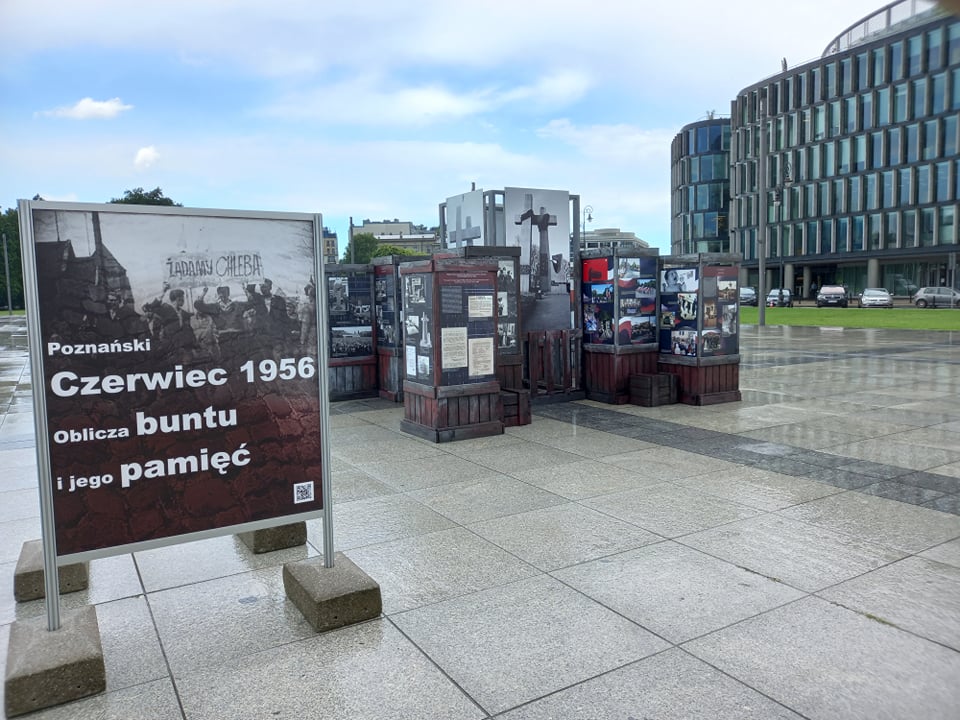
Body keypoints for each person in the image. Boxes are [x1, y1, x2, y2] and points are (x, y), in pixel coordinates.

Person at [142, 282, 196, 358]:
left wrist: (194, 344)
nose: (184, 299)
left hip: (182, 346)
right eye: (182, 297)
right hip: (169, 346)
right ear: (178, 298)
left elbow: (189, 329)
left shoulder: (184, 313)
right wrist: (163, 291)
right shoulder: (165, 308)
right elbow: (150, 307)